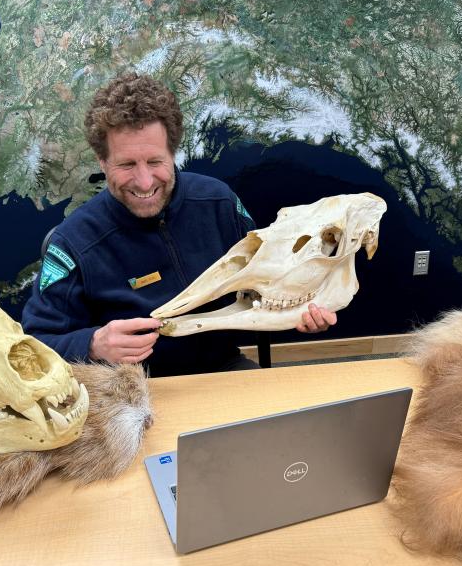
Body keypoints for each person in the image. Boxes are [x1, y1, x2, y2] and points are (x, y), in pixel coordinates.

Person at [21, 73, 336, 376]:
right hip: (130, 391)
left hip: (223, 369)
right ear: (102, 162)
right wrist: (91, 345)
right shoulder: (73, 243)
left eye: (155, 162)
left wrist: (302, 309)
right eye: (127, 164)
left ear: (173, 153)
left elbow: (267, 281)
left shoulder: (220, 203)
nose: (144, 182)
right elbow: (33, 345)